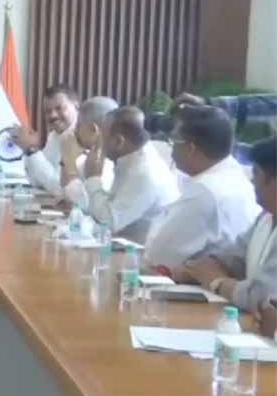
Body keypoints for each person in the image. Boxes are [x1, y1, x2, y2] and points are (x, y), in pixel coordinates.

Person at [145, 105, 261, 274]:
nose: (171, 149)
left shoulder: (205, 192)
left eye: (173, 141)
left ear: (191, 148)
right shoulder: (235, 175)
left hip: (199, 285)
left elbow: (158, 257)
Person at [174, 137, 277, 312]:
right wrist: (196, 270)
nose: (252, 181)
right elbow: (231, 260)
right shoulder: (265, 218)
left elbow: (262, 298)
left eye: (256, 173)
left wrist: (218, 282)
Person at [82, 106, 181, 243]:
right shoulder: (129, 160)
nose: (99, 143)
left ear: (119, 141)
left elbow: (110, 221)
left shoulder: (144, 172)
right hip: (124, 244)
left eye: (103, 137)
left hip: (143, 251)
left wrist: (93, 178)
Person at [13, 84, 80, 196]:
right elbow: (36, 180)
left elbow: (62, 188)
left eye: (59, 108)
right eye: (48, 111)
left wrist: (32, 150)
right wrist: (29, 150)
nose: (53, 115)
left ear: (76, 105)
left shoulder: (82, 137)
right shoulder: (54, 136)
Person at [59, 96, 118, 208]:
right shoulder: (90, 156)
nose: (75, 131)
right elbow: (64, 188)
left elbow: (84, 204)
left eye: (78, 125)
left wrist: (69, 157)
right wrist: (66, 158)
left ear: (93, 129)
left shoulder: (109, 162)